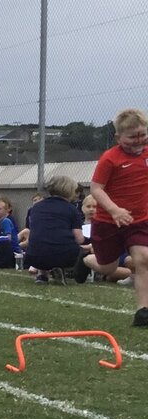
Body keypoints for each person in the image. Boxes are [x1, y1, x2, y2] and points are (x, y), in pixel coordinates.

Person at [86, 107, 148, 325]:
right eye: (132, 137)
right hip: (108, 221)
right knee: (108, 267)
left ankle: (143, 311)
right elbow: (96, 188)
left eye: (142, 134)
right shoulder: (110, 159)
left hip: (138, 220)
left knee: (143, 259)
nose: (138, 140)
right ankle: (84, 259)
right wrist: (114, 210)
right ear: (118, 137)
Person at [24, 176, 85, 284]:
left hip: (33, 256)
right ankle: (63, 269)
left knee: (45, 240)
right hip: (63, 255)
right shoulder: (72, 209)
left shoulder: (37, 207)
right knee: (77, 248)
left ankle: (42, 274)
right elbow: (79, 239)